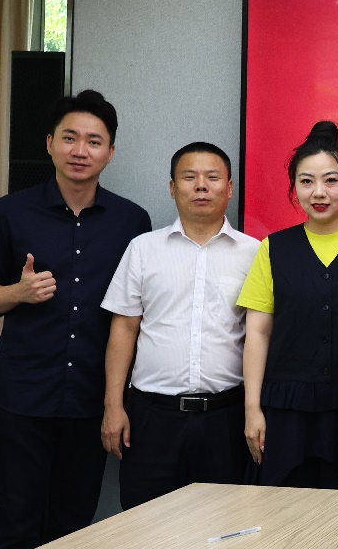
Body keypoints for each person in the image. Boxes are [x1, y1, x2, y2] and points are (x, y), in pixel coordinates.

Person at [0, 90, 151, 548]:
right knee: (17, 519)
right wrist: (18, 293)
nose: (80, 150)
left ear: (110, 152)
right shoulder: (9, 212)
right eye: (69, 138)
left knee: (74, 523)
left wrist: (117, 399)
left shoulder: (131, 221)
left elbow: (135, 312)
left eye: (94, 141)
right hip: (22, 395)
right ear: (50, 143)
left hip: (91, 399)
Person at [99, 142, 259, 508]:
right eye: (189, 177)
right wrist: (113, 405)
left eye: (212, 177)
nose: (201, 186)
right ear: (172, 188)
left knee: (225, 523)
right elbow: (124, 329)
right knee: (145, 523)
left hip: (226, 419)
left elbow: (259, 336)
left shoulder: (253, 253)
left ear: (229, 188)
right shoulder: (143, 249)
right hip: (152, 418)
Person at [236, 121, 338, 489]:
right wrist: (252, 409)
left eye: (331, 180)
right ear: (294, 188)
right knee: (279, 510)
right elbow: (258, 333)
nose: (319, 192)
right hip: (285, 410)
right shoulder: (273, 248)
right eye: (306, 181)